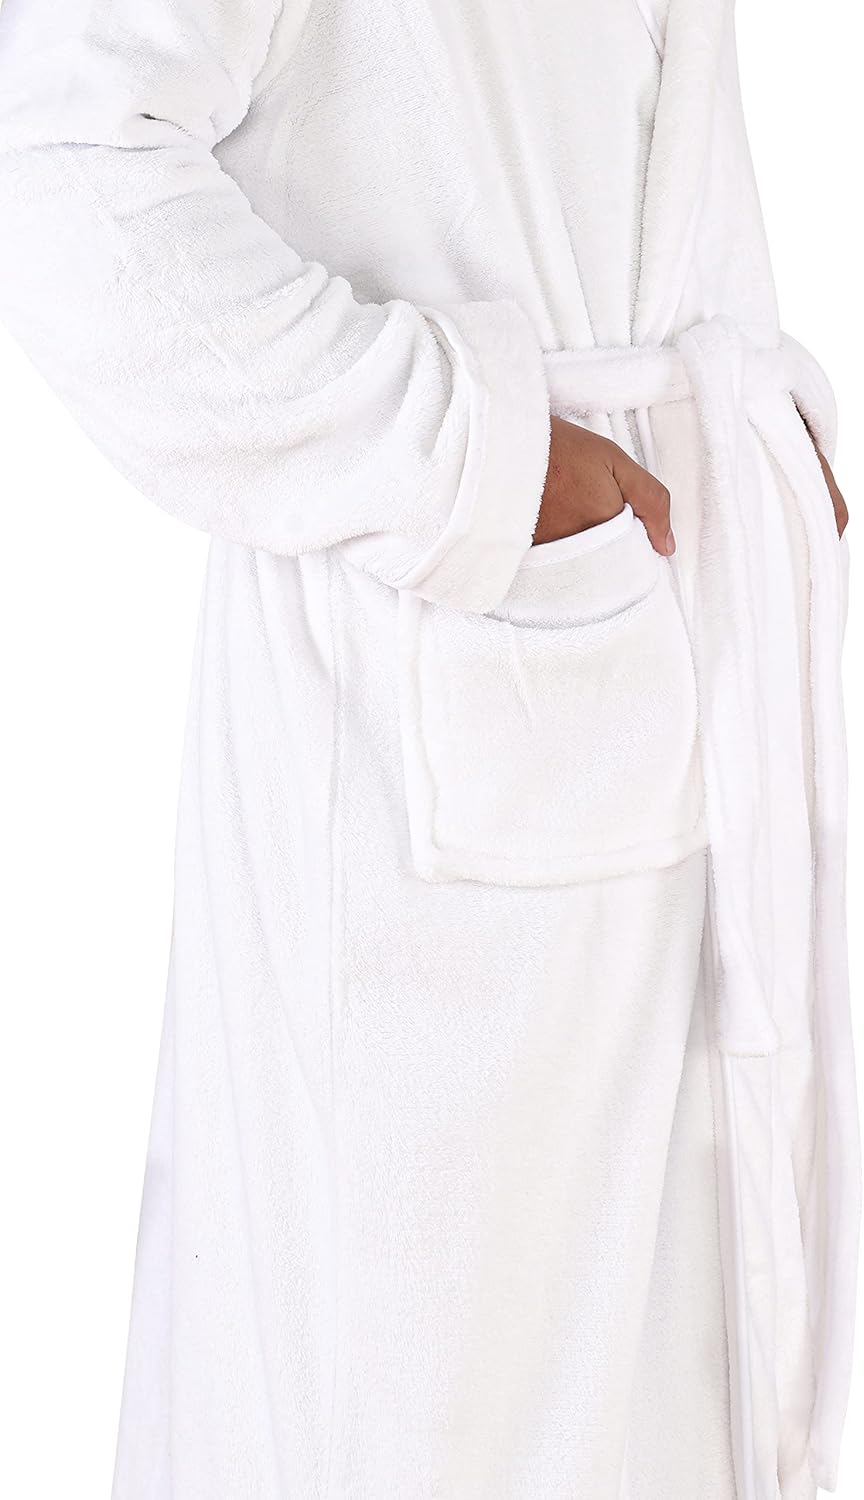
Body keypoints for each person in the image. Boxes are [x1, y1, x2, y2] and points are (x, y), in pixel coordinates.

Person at [0, 2, 857, 1496]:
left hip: (658, 688)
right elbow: (61, 156)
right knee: (415, 1397)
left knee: (658, 1381)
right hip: (433, 740)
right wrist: (471, 456)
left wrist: (749, 438)